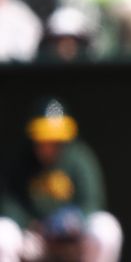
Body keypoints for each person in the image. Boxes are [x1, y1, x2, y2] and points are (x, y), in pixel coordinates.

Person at [0, 97, 123, 262]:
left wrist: (75, 219)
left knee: (107, 228)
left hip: (74, 240)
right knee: (3, 233)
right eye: (44, 139)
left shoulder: (79, 157)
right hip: (36, 238)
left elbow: (93, 202)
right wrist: (35, 224)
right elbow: (10, 205)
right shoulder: (20, 162)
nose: (49, 144)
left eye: (55, 139)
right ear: (34, 137)